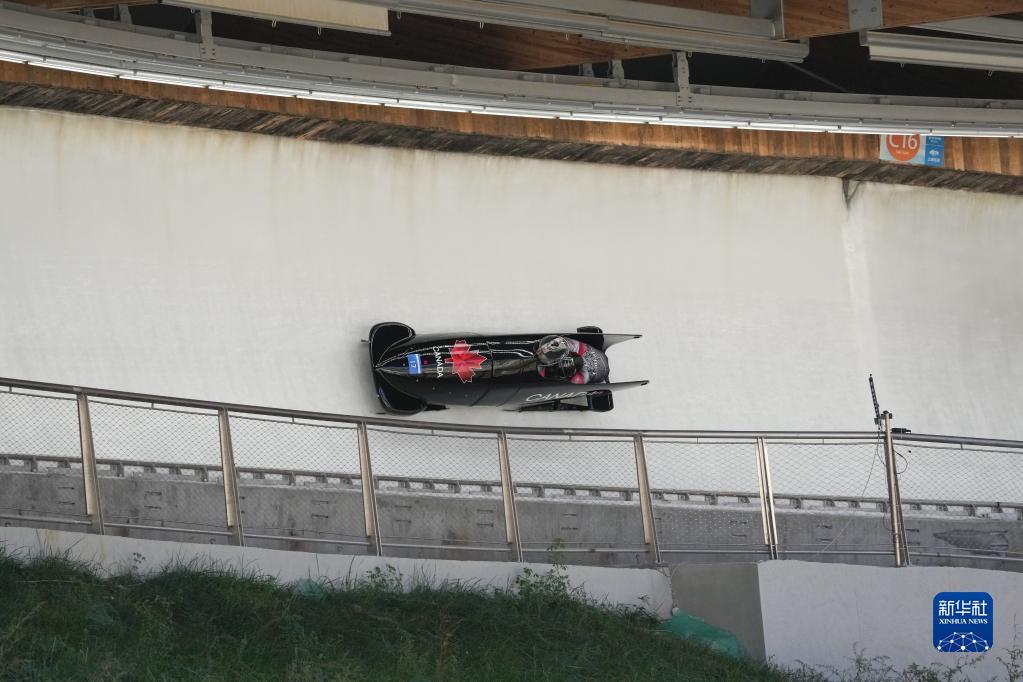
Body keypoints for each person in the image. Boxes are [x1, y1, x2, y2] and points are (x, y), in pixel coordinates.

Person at [535, 335, 609, 384]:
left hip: (601, 375)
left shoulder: (581, 378)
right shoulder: (576, 347)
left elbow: (563, 385)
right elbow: (560, 341)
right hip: (594, 354)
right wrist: (543, 350)